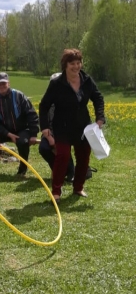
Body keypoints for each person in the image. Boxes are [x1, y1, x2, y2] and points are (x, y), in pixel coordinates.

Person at [39, 48, 105, 202]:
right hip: (62, 127)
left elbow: (98, 98)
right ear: (65, 65)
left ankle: (78, 187)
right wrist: (45, 128)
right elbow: (44, 106)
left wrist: (100, 117)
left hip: (83, 127)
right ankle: (56, 191)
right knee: (62, 156)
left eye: (78, 63)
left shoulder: (87, 80)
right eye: (72, 64)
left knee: (83, 157)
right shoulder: (56, 84)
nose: (76, 66)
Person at [0, 72, 39, 178]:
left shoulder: (19, 96)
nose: (2, 86)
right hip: (4, 131)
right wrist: (8, 134)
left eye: (4, 83)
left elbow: (32, 114)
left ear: (9, 83)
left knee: (23, 142)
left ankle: (22, 170)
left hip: (22, 129)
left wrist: (34, 134)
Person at [38, 73, 75, 182]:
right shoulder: (46, 100)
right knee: (43, 148)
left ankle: (71, 171)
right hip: (50, 132)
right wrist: (49, 137)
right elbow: (44, 121)